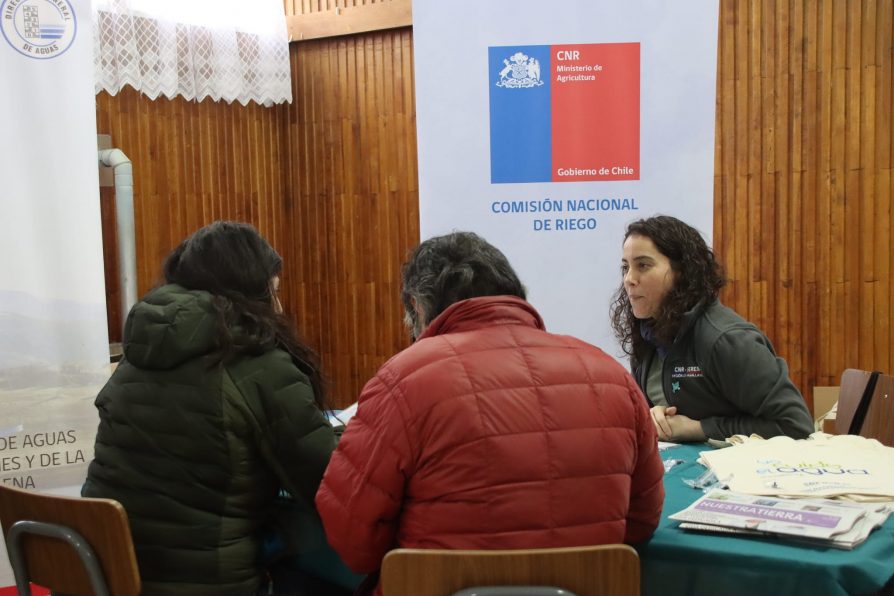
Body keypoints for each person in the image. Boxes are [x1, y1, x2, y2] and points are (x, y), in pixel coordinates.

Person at [316, 231, 664, 595]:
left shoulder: (402, 380)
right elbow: (641, 521)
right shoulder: (609, 374)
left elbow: (353, 540)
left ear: (418, 308)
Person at [83, 221, 341, 595]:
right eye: (275, 292)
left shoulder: (137, 356)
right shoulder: (256, 365)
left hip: (106, 578)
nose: (281, 306)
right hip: (206, 584)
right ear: (252, 292)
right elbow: (328, 485)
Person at [610, 215, 814, 442]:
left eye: (643, 265)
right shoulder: (647, 334)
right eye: (626, 267)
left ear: (682, 272)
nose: (629, 279)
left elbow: (796, 426)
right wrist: (653, 417)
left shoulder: (728, 340)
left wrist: (700, 428)